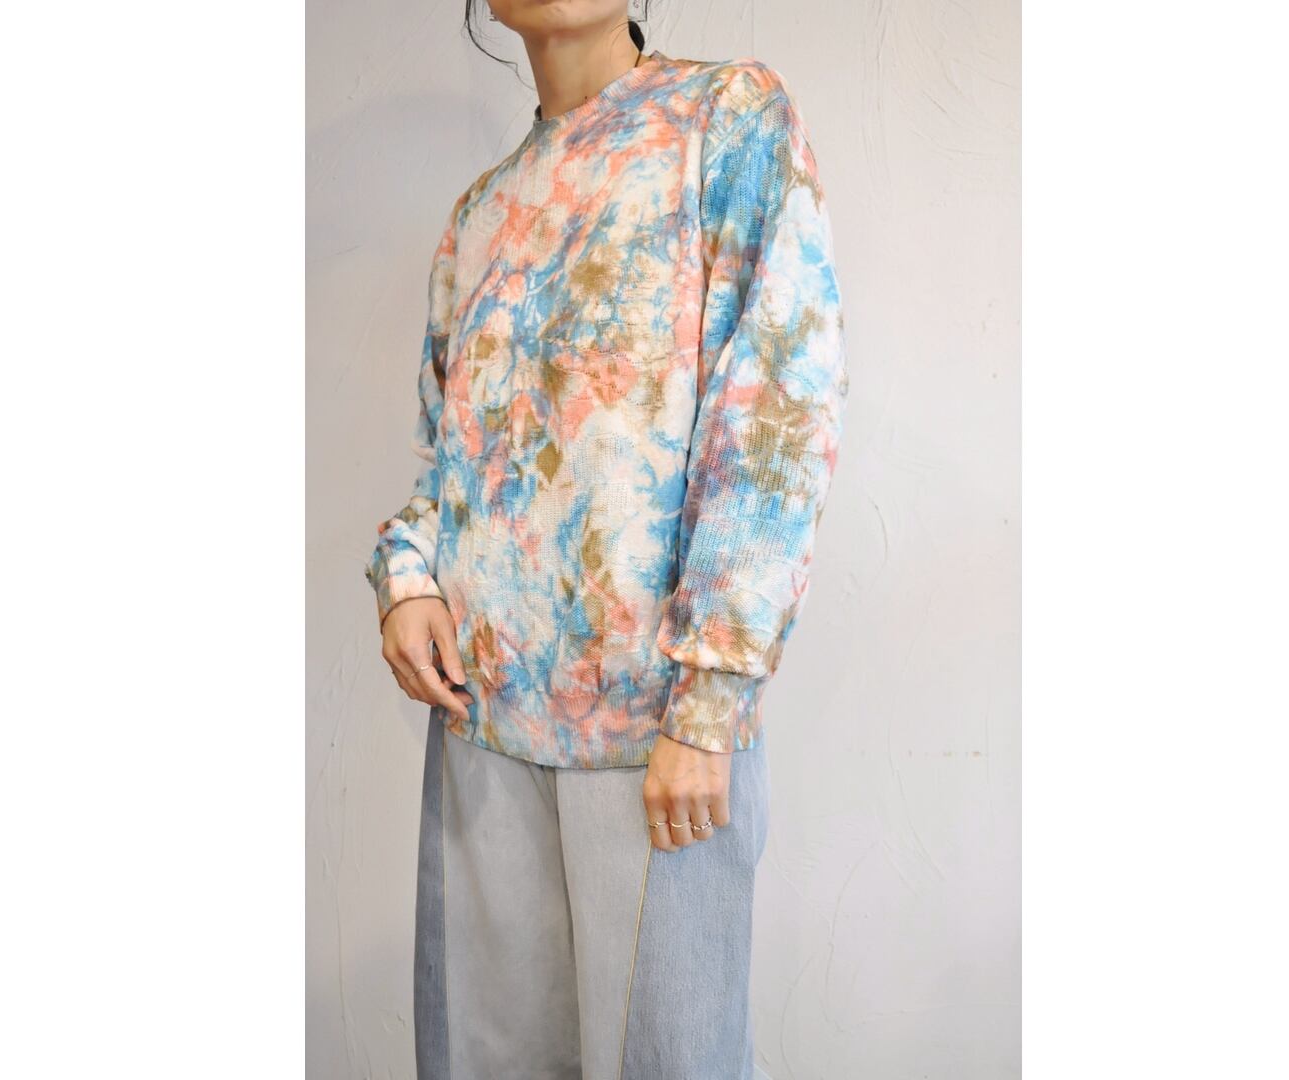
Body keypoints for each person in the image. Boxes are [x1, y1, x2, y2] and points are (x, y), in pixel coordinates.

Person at [362, 3, 848, 1076]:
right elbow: (448, 463)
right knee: (489, 1058)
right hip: (482, 724)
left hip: (654, 737)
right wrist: (407, 580)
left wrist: (709, 706)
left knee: (670, 1061)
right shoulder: (482, 212)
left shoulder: (726, 118)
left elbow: (776, 410)